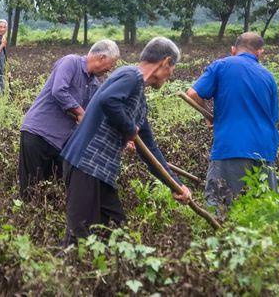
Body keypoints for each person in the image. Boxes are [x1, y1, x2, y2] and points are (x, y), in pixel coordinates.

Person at [61, 37, 192, 245]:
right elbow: (108, 100)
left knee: (116, 232)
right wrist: (129, 129)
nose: (171, 75)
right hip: (85, 165)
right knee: (79, 237)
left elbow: (150, 151)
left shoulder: (139, 99)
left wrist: (177, 185)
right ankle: (62, 274)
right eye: (172, 68)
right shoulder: (131, 75)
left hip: (102, 172)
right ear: (165, 62)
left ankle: (107, 274)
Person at [186, 32, 279, 207]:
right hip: (265, 150)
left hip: (231, 147)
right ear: (260, 52)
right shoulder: (269, 77)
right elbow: (273, 118)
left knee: (221, 208)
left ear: (233, 50)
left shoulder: (221, 66)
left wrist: (208, 115)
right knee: (264, 211)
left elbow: (192, 94)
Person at [18, 40, 120, 199]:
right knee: (30, 190)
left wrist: (123, 136)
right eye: (111, 64)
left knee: (55, 191)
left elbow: (100, 113)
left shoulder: (94, 84)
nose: (110, 69)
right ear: (101, 57)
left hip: (61, 144)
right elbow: (59, 90)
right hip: (38, 135)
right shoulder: (71, 62)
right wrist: (80, 113)